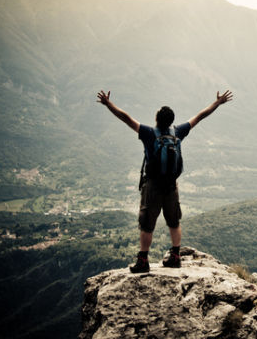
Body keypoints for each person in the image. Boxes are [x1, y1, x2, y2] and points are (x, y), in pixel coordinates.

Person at [96, 89, 233, 272]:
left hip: (152, 187)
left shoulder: (148, 133)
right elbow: (200, 116)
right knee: (174, 221)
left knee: (147, 225)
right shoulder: (178, 132)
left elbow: (126, 118)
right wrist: (217, 102)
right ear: (171, 121)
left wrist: (108, 104)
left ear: (156, 119)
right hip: (171, 187)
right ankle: (176, 257)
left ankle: (143, 261)